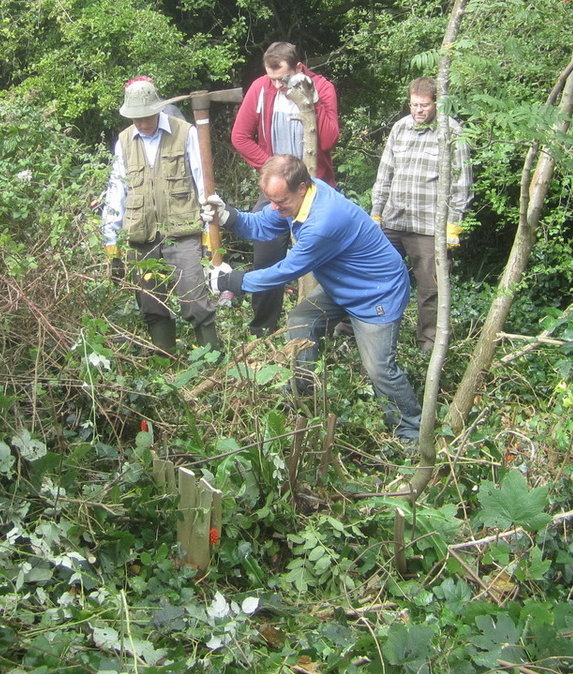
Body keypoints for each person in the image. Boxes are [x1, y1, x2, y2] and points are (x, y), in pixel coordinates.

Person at [203, 155, 423, 445]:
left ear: (302, 187)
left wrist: (232, 282)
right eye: (271, 200)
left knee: (379, 369)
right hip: (341, 283)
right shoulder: (298, 198)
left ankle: (411, 431)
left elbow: (286, 270)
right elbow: (263, 224)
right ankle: (302, 394)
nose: (275, 207)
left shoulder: (323, 221)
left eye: (280, 201)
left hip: (376, 291)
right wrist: (228, 217)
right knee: (301, 322)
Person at [100, 77, 222, 357]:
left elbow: (203, 181)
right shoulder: (124, 141)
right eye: (136, 118)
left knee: (195, 299)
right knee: (151, 303)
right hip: (140, 235)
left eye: (147, 116)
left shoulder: (185, 132)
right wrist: (111, 244)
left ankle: (213, 363)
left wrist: (209, 230)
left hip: (183, 232)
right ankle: (164, 362)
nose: (142, 123)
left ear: (158, 109)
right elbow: (117, 190)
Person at [228, 41, 340, 337]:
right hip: (277, 190)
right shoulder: (261, 89)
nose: (277, 85)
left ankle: (323, 328)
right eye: (272, 78)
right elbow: (240, 136)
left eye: (283, 78)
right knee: (266, 257)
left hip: (315, 190)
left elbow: (329, 140)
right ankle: (262, 330)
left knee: (324, 261)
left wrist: (313, 101)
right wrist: (274, 170)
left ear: (299, 68)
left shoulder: (322, 88)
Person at [370, 77, 473, 350]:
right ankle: (367, 334)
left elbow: (462, 183)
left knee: (431, 289)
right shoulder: (400, 128)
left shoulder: (452, 132)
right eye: (414, 104)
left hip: (429, 227)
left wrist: (453, 226)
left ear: (436, 103)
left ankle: (427, 347)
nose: (418, 110)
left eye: (424, 105)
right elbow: (385, 174)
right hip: (393, 221)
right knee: (376, 278)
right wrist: (376, 213)